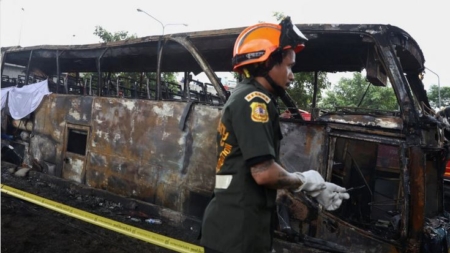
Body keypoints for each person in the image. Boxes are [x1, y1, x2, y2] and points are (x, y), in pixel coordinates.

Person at [200, 17, 349, 253]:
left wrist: (315, 188)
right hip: (237, 236)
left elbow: (260, 170)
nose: (291, 75)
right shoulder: (254, 102)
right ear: (268, 62)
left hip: (238, 231)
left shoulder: (248, 97)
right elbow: (263, 173)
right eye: (289, 66)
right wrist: (306, 181)